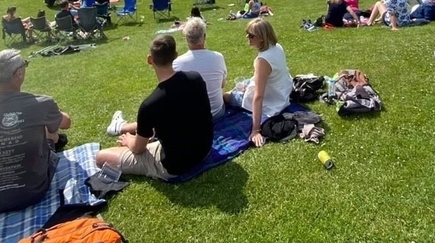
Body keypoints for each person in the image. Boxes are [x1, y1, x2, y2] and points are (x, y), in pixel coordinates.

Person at [0, 49, 71, 215]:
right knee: (50, 130)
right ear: (19, 74)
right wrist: (54, 110)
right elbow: (66, 122)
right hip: (30, 193)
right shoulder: (39, 103)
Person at [95, 35, 213, 180]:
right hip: (204, 150)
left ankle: (122, 128)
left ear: (150, 60)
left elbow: (138, 149)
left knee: (101, 157)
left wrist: (129, 142)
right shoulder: (196, 78)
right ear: (175, 56)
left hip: (175, 165)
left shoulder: (150, 105)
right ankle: (122, 127)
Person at [224, 18, 293, 147]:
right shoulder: (277, 47)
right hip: (282, 92)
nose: (247, 37)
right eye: (247, 33)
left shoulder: (262, 60)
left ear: (261, 38)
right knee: (243, 84)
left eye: (251, 35)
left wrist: (256, 130)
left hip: (272, 100)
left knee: (226, 96)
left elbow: (258, 96)